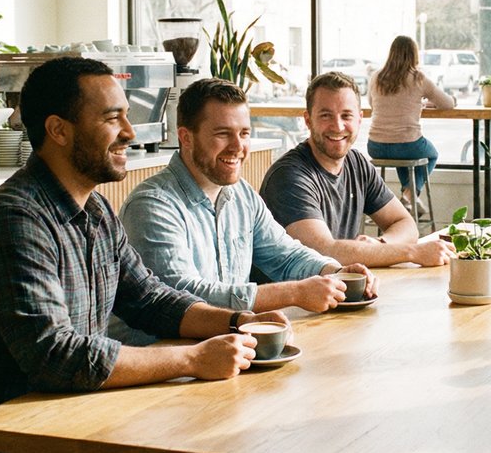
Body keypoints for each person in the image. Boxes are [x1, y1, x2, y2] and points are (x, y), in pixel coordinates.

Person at [0, 57, 287, 453]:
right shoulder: (14, 219)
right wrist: (195, 357)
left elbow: (150, 299)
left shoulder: (96, 212)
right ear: (59, 130)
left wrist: (238, 321)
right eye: (112, 117)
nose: (130, 132)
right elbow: (53, 355)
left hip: (73, 421)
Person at [112, 78, 378, 342]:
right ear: (186, 138)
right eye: (222, 134)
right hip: (161, 366)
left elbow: (286, 255)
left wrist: (333, 272)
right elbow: (183, 296)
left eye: (244, 133)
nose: (238, 147)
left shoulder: (242, 195)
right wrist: (295, 293)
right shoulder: (152, 205)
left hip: (223, 352)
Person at [259, 71, 455, 268]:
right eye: (326, 115)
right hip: (291, 296)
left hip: (337, 288)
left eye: (346, 115)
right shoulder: (289, 176)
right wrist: (412, 252)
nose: (338, 126)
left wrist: (381, 244)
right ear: (308, 120)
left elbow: (405, 223)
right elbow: (323, 252)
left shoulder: (356, 163)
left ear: (359, 119)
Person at [367, 35, 455, 211]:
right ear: (414, 55)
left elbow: (372, 103)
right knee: (431, 155)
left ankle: (409, 200)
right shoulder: (418, 78)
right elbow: (447, 104)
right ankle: (409, 196)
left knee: (404, 157)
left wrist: (418, 103)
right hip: (406, 144)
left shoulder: (377, 76)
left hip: (375, 145)